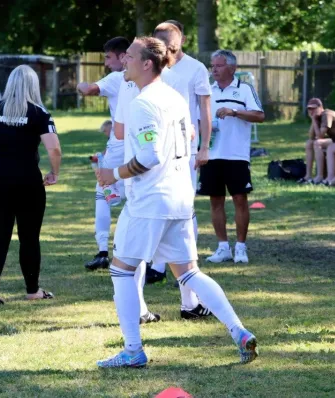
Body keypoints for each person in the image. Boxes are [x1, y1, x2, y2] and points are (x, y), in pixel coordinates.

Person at [95, 37, 258, 368]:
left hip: (149, 202)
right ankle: (239, 331)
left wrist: (114, 174)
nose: (123, 61)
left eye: (129, 56)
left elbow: (149, 156)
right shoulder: (174, 98)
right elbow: (192, 139)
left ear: (147, 64)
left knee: (121, 270)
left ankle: (133, 351)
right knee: (188, 273)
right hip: (180, 198)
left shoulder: (144, 103)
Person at [0, 65, 62, 308]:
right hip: (26, 183)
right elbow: (54, 148)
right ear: (34, 85)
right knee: (29, 237)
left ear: (10, 84)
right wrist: (54, 172)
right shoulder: (38, 113)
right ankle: (32, 291)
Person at [145, 21, 212, 283]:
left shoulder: (195, 68)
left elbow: (205, 109)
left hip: (185, 150)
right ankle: (158, 264)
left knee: (185, 206)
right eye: (161, 46)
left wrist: (204, 146)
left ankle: (187, 265)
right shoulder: (152, 66)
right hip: (156, 148)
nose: (167, 52)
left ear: (180, 41)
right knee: (159, 204)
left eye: (170, 46)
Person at [198, 50, 265, 264]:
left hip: (236, 155)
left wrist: (234, 112)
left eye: (218, 66)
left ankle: (241, 248)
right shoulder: (208, 90)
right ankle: (222, 247)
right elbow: (199, 119)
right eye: (212, 66)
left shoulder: (244, 89)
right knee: (215, 200)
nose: (214, 70)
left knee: (239, 199)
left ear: (232, 68)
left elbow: (260, 115)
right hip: (212, 153)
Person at [77, 37, 129, 271]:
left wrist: (80, 84)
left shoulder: (117, 77)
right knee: (137, 196)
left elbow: (89, 90)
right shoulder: (148, 77)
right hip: (141, 143)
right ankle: (144, 256)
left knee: (103, 193)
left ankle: (103, 252)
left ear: (122, 56)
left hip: (119, 147)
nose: (106, 63)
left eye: (108, 57)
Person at [297, 98, 335, 184]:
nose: (311, 111)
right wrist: (313, 120)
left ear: (320, 107)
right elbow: (311, 137)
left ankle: (320, 176)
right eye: (309, 109)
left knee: (318, 143)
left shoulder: (326, 114)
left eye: (313, 108)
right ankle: (308, 176)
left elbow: (320, 136)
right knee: (309, 143)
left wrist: (313, 120)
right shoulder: (318, 117)